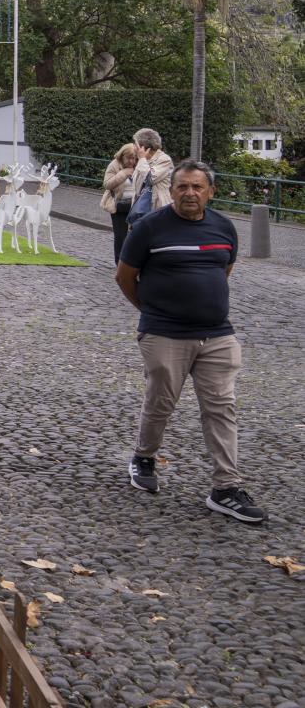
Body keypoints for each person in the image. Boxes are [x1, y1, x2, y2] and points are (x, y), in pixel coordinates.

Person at [115, 161, 265, 523]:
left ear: (210, 191)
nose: (190, 193)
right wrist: (154, 312)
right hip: (164, 333)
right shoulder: (149, 227)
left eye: (198, 187)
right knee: (161, 402)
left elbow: (223, 270)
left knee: (221, 406)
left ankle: (225, 487)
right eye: (183, 187)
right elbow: (124, 277)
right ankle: (144, 457)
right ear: (174, 189)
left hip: (217, 334)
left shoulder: (224, 226)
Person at [101, 143, 139, 264]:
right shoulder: (114, 165)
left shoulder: (139, 165)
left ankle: (133, 261)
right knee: (121, 236)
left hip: (135, 205)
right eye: (129, 158)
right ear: (122, 156)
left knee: (136, 235)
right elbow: (107, 184)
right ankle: (120, 262)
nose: (131, 161)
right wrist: (123, 174)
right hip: (118, 205)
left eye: (134, 158)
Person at [130, 128, 174, 219]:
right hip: (142, 209)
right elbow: (137, 186)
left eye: (135, 144)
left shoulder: (164, 159)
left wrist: (142, 159)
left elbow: (149, 179)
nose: (133, 146)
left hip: (158, 211)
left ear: (143, 147)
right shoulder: (143, 160)